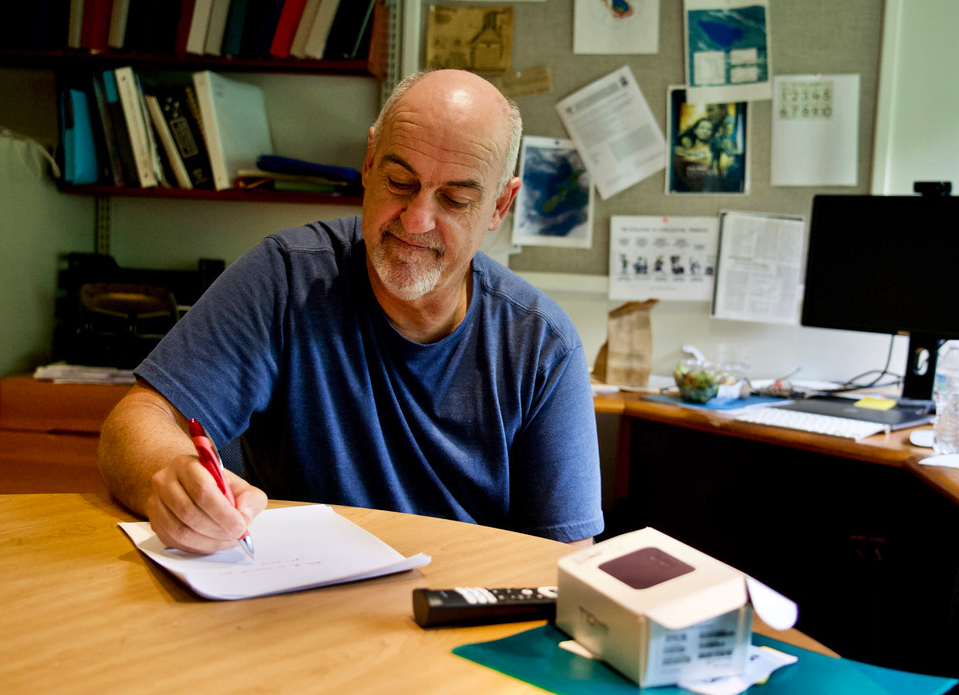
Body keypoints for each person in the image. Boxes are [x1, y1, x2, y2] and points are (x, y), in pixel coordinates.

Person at [98, 69, 604, 556]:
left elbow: (563, 561)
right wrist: (172, 476)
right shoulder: (286, 279)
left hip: (457, 616)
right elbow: (139, 418)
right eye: (400, 182)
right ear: (368, 163)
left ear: (500, 206)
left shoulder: (543, 346)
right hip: (295, 608)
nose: (416, 219)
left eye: (454, 199)